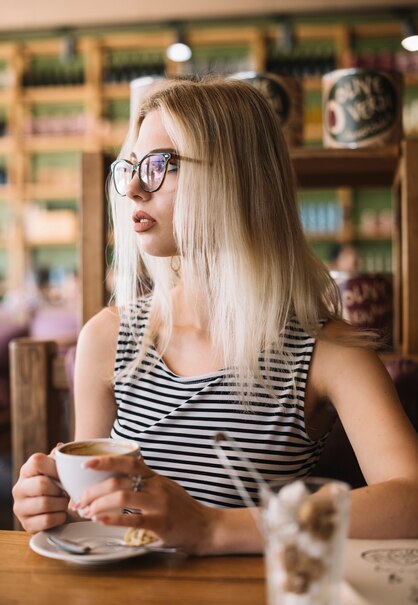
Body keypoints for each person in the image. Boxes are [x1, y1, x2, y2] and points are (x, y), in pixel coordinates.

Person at [12, 77, 418, 554]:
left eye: (163, 164)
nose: (137, 188)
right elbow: (93, 515)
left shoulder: (326, 351)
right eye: (133, 167)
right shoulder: (108, 337)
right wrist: (52, 501)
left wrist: (213, 528)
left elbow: (410, 500)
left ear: (239, 176)